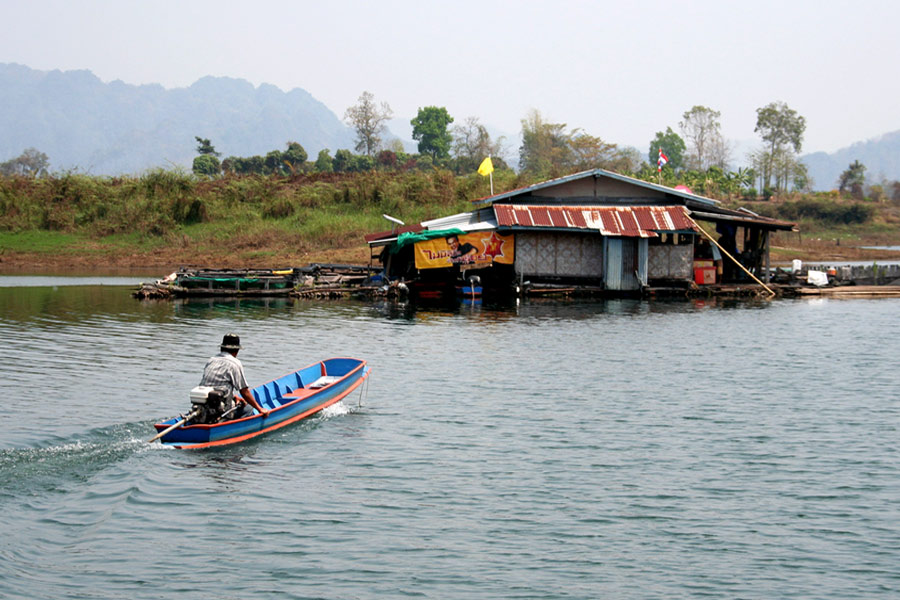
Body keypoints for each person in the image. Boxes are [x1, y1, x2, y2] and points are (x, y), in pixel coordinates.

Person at [199, 333, 269, 420]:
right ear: (236, 351)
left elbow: (212, 384)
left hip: (202, 404)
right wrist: (260, 409)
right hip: (219, 408)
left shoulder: (211, 360)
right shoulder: (235, 363)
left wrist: (233, 397)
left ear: (221, 348)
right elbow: (244, 391)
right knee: (248, 408)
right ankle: (234, 428)